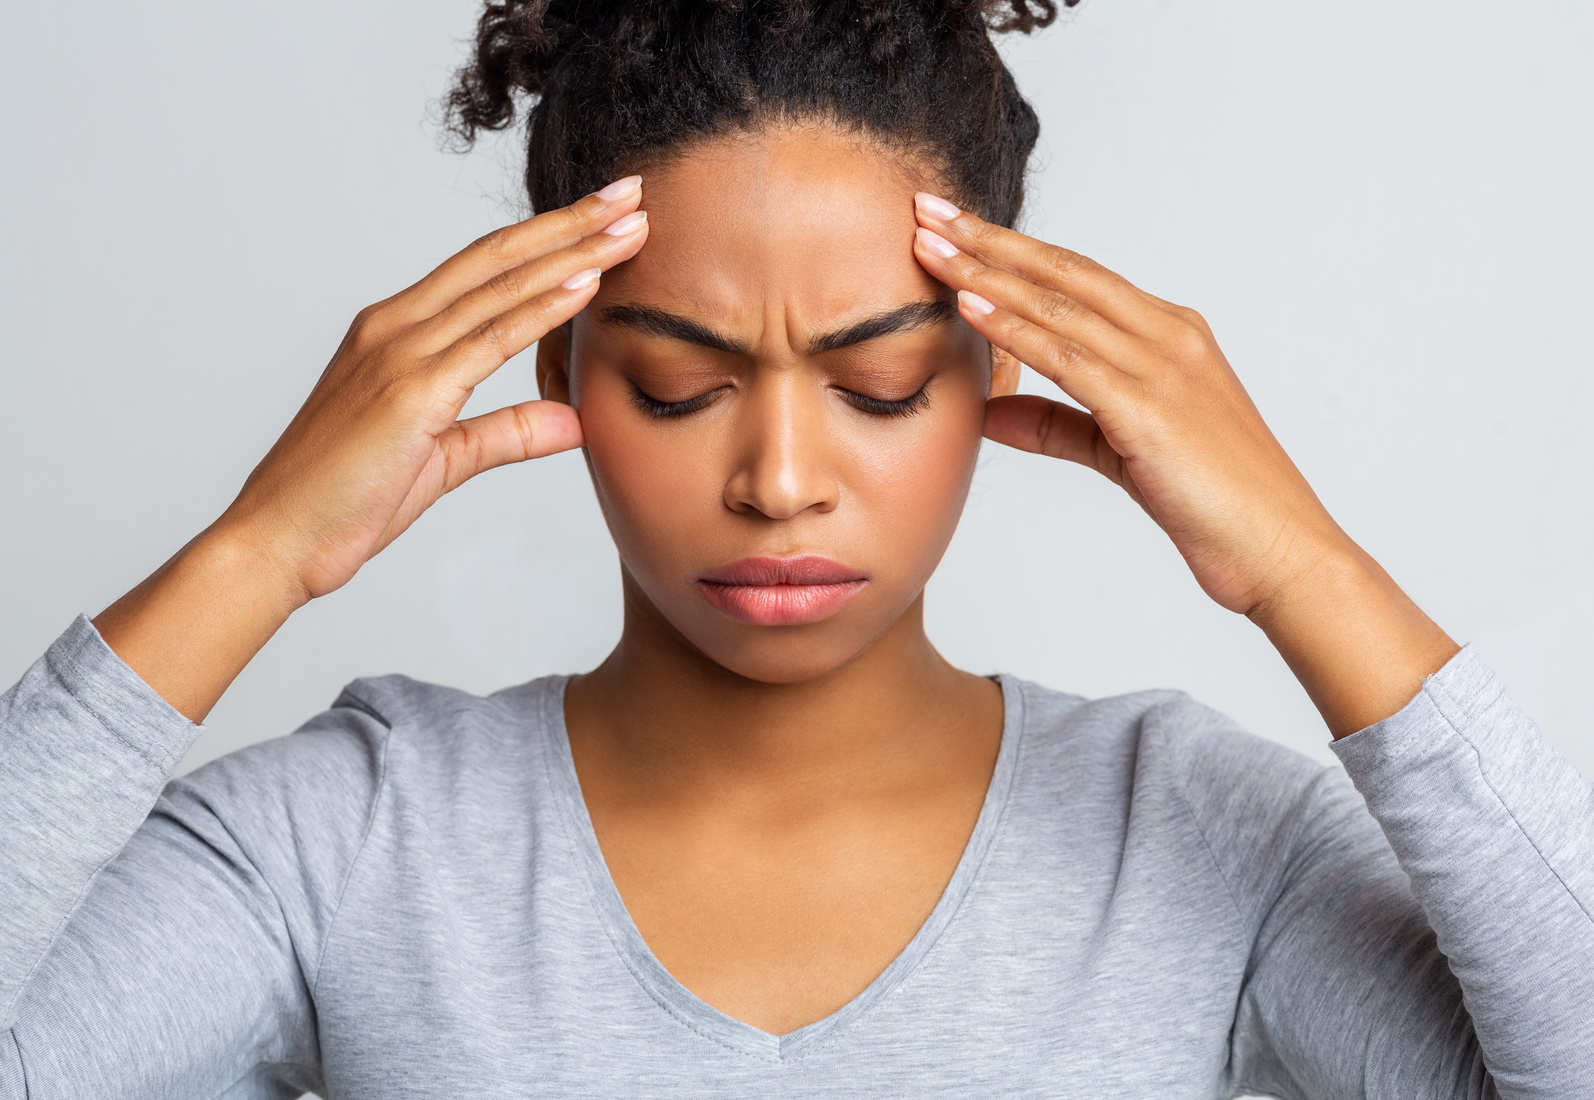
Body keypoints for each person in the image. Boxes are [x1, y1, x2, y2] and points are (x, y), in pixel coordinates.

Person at [2, 0, 1590, 1096]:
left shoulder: (1190, 838)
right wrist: (253, 555)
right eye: (680, 386)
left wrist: (1308, 574)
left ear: (995, 374)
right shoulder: (347, 839)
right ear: (562, 376)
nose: (776, 479)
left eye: (880, 385)